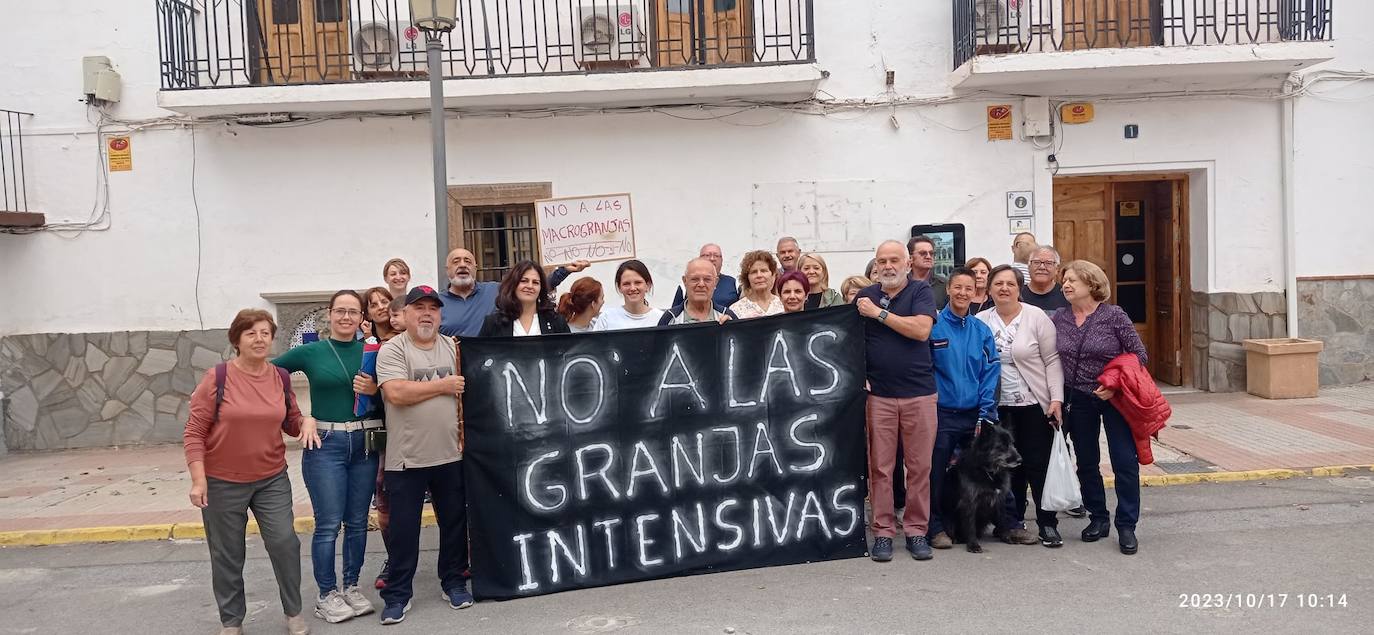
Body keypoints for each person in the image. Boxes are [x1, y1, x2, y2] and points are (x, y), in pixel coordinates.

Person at [185, 309, 309, 635]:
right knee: (227, 554)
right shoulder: (218, 378)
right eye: (251, 333)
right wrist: (198, 479)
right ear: (237, 340)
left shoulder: (279, 377)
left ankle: (293, 611)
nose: (259, 339)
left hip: (271, 478)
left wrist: (306, 421)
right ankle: (231, 621)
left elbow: (292, 422)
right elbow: (194, 432)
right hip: (222, 481)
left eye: (265, 333)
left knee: (284, 542)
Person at [273, 290, 381, 623]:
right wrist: (298, 416)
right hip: (326, 443)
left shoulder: (374, 351)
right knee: (329, 524)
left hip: (365, 442)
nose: (346, 317)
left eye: (353, 312)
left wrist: (375, 390)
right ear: (330, 314)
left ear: (361, 317)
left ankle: (351, 586)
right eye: (340, 311)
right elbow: (266, 374)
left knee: (358, 522)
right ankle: (326, 594)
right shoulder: (311, 352)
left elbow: (391, 394)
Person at [375, 286, 472, 624]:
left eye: (433, 308)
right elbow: (396, 392)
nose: (427, 314)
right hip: (406, 458)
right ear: (406, 314)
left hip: (451, 455)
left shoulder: (453, 347)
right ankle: (398, 594)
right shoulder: (392, 350)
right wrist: (443, 385)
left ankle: (454, 582)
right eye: (419, 308)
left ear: (440, 315)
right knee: (403, 530)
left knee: (454, 525)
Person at [1054, 260, 1149, 556]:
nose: (1066, 285)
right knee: (1086, 461)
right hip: (1078, 398)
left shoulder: (1114, 316)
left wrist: (1114, 384)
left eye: (1073, 280)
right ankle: (1098, 517)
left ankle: (1127, 525)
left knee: (1124, 461)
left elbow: (1139, 355)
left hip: (1116, 397)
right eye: (1065, 281)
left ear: (1091, 283)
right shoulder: (1059, 318)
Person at [854, 240, 939, 562]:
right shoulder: (864, 296)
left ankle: (916, 531)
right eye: (882, 261)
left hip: (920, 393)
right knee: (880, 468)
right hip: (879, 396)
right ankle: (883, 532)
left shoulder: (920, 292)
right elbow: (852, 341)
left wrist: (879, 313)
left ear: (907, 263)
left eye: (894, 260)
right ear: (875, 265)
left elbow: (921, 330)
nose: (888, 266)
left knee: (919, 467)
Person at [976, 265, 1065, 548]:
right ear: (989, 289)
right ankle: (1011, 523)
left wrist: (1056, 398)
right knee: (1005, 468)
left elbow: (1052, 360)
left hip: (1032, 404)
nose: (1004, 288)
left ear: (1019, 289)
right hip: (996, 407)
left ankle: (1047, 523)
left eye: (1010, 284)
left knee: (1037, 465)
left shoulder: (1036, 317)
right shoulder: (981, 320)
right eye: (998, 284)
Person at [925, 268, 1008, 550]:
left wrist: (986, 412)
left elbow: (990, 373)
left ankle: (1007, 524)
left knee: (991, 470)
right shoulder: (933, 326)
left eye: (968, 288)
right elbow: (926, 370)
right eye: (957, 287)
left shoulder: (981, 331)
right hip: (942, 415)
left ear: (975, 292)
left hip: (975, 415)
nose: (962, 293)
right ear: (948, 289)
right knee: (936, 473)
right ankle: (936, 527)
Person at [478, 261, 572, 337]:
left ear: (541, 288)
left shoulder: (556, 322)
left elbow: (569, 353)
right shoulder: (493, 323)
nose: (530, 286)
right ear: (513, 285)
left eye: (535, 282)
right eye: (524, 281)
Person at [438, 248, 498, 337]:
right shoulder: (437, 302)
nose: (462, 265)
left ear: (475, 268)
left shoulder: (494, 290)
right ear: (447, 270)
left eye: (468, 262)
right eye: (456, 262)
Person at [659, 258, 740, 325]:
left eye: (707, 279)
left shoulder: (727, 316)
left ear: (715, 283)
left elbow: (739, 339)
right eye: (695, 279)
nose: (701, 284)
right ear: (685, 281)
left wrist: (732, 329)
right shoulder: (670, 319)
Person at [599, 260, 667, 330]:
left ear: (648, 285)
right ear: (619, 288)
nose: (632, 288)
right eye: (626, 284)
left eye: (638, 282)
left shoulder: (662, 318)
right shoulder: (606, 318)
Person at [672, 243, 739, 308]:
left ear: (722, 260)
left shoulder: (734, 283)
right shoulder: (687, 284)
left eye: (716, 256)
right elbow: (675, 312)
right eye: (707, 255)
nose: (712, 259)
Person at [728, 250, 784, 319]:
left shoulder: (783, 304)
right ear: (747, 278)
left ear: (773, 275)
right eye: (754, 272)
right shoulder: (735, 310)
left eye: (763, 271)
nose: (759, 275)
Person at [1021, 246, 1070, 313]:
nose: (1042, 267)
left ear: (1057, 269)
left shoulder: (1066, 295)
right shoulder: (1017, 295)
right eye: (1036, 262)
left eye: (1048, 263)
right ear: (1029, 267)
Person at [908, 235, 948, 309]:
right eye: (923, 253)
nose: (928, 257)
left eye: (931, 253)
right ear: (910, 257)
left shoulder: (945, 285)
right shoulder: (901, 284)